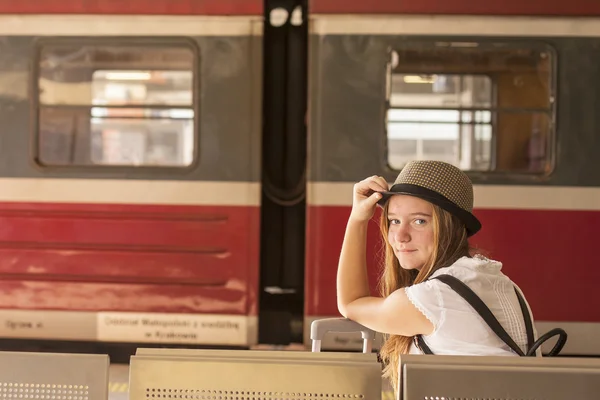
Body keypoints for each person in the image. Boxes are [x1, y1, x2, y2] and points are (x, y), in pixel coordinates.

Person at [336, 160, 539, 394]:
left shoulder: (435, 297)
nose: (400, 236)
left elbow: (350, 303)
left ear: (449, 227)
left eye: (419, 221)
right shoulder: (504, 284)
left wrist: (357, 219)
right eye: (394, 221)